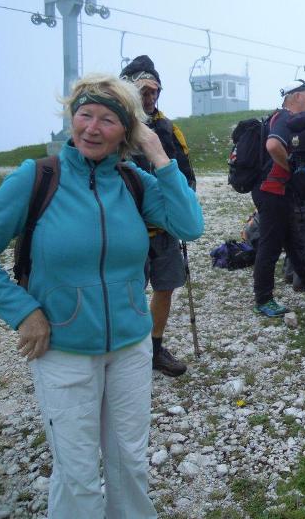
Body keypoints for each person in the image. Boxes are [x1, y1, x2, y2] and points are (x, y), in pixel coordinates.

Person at [0, 74, 204, 518]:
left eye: (108, 119)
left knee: (130, 463)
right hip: (64, 349)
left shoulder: (133, 181)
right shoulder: (37, 178)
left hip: (131, 346)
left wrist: (159, 155)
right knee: (77, 475)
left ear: (127, 131)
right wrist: (24, 312)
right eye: (85, 115)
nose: (92, 128)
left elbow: (190, 225)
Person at [120, 55, 197, 377]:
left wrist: (184, 205)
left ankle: (154, 347)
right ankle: (127, 352)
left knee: (165, 287)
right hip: (128, 229)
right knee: (128, 293)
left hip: (164, 228)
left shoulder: (168, 128)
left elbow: (186, 172)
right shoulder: (118, 127)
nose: (149, 96)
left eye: (154, 90)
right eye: (143, 90)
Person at [251, 80, 305, 321]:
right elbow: (273, 145)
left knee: (294, 242)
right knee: (270, 246)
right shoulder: (285, 117)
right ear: (296, 96)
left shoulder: (283, 117)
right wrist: (290, 168)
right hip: (272, 190)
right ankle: (263, 299)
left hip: (279, 191)